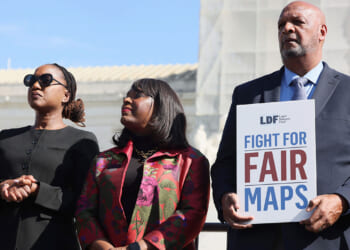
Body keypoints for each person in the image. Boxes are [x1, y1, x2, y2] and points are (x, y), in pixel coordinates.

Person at [211, 1, 350, 250]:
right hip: (256, 241)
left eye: (297, 22)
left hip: (326, 240)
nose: (286, 29)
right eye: (281, 25)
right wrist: (225, 197)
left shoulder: (348, 92)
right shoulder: (248, 94)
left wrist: (342, 201)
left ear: (322, 32)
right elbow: (225, 164)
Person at [76, 78, 210, 250]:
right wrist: (103, 248)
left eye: (137, 95)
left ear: (161, 106)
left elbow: (192, 214)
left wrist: (140, 247)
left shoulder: (191, 161)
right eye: (127, 95)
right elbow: (84, 211)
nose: (126, 99)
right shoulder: (103, 161)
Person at [0, 63, 99, 250]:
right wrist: (3, 188)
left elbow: (86, 203)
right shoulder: (4, 138)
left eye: (45, 80)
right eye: (31, 80)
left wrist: (38, 190)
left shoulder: (82, 142)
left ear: (66, 95)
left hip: (54, 242)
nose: (35, 86)